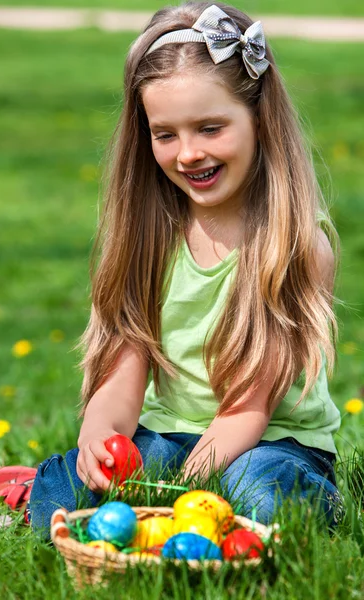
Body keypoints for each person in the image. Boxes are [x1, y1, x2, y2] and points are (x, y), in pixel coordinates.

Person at [29, 1, 344, 535]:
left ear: (259, 119)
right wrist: (99, 434)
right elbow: (124, 373)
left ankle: (316, 503)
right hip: (171, 436)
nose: (189, 153)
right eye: (166, 134)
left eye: (210, 128)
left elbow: (249, 408)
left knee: (258, 495)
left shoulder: (296, 245)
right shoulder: (148, 238)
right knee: (63, 491)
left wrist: (178, 503)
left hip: (270, 442)